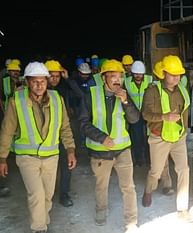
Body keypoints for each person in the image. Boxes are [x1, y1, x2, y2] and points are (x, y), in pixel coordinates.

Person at [0, 62, 76, 233]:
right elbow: (7, 131)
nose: (39, 85)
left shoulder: (57, 99)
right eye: (34, 81)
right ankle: (39, 228)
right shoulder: (16, 101)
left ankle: (42, 220)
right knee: (36, 195)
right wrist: (2, 157)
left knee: (48, 196)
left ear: (47, 81)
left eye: (42, 81)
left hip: (51, 156)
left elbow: (65, 127)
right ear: (27, 82)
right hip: (27, 157)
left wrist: (70, 150)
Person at [79, 59, 139, 231]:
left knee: (128, 187)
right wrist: (102, 137)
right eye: (112, 75)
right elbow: (83, 123)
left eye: (119, 76)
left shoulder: (124, 94)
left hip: (123, 149)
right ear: (103, 77)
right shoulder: (90, 94)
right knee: (101, 185)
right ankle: (101, 210)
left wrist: (126, 102)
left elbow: (134, 119)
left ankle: (131, 220)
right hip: (100, 151)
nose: (117, 79)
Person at [141, 55, 192, 221]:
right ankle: (148, 191)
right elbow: (145, 114)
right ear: (163, 74)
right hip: (159, 137)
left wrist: (184, 130)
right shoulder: (152, 90)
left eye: (178, 74)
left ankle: (182, 209)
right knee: (156, 170)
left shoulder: (182, 89)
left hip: (178, 137)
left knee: (183, 169)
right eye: (172, 74)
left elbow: (185, 111)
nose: (176, 77)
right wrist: (164, 117)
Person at [45, 60, 83, 207]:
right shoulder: (37, 90)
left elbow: (80, 95)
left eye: (57, 76)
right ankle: (47, 194)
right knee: (48, 168)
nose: (54, 79)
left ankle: (64, 194)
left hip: (63, 131)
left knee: (66, 164)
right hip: (45, 135)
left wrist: (68, 79)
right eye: (51, 76)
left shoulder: (65, 89)